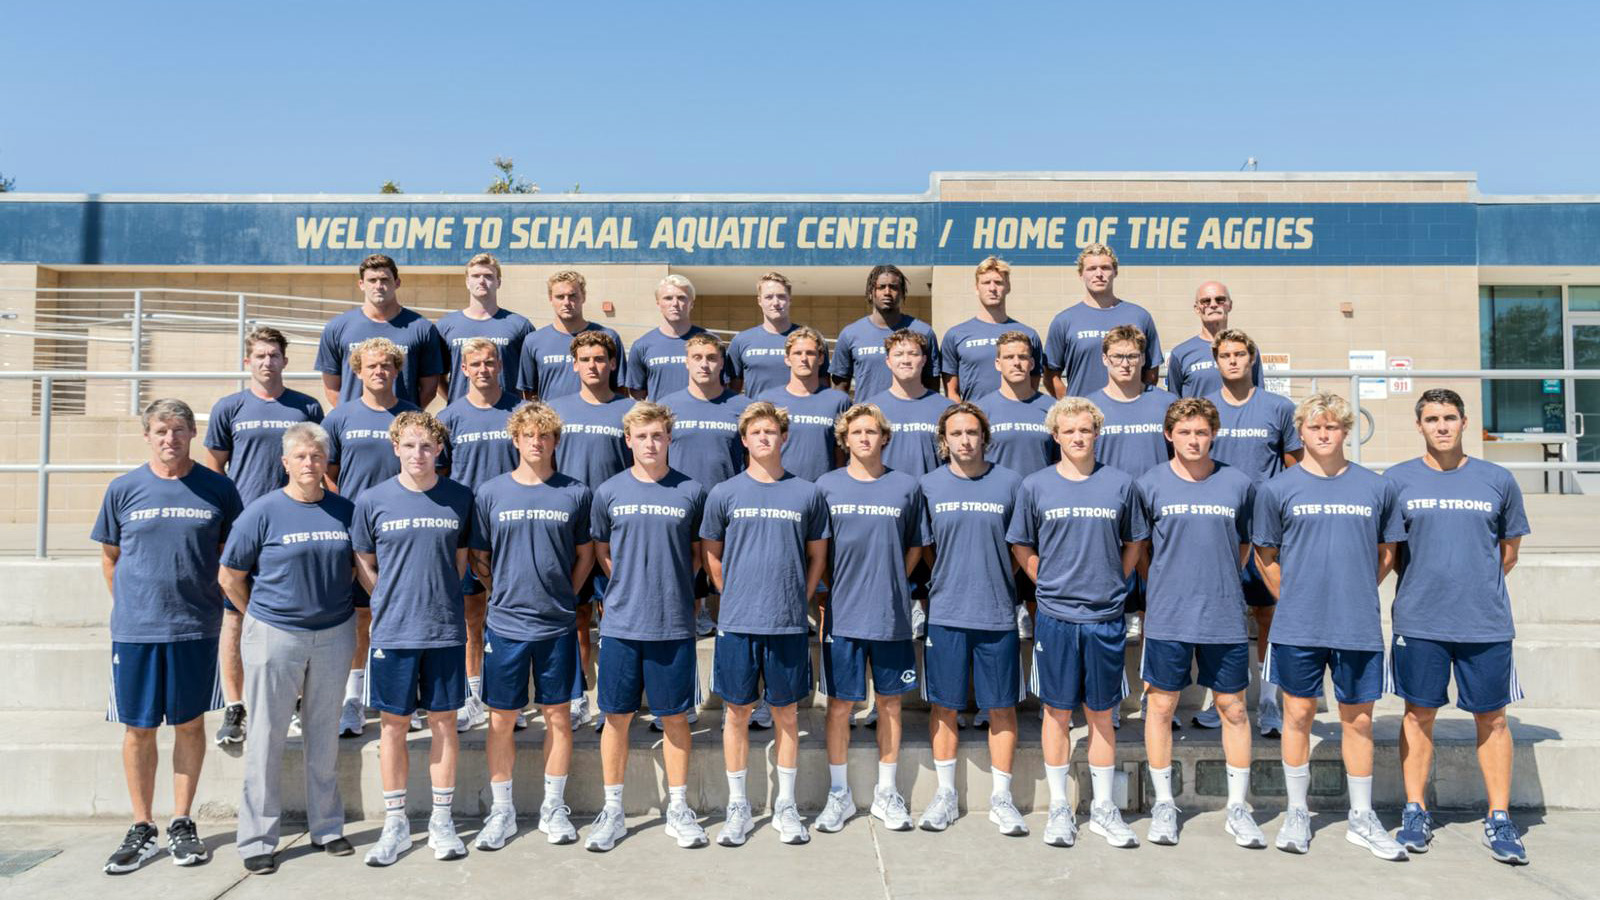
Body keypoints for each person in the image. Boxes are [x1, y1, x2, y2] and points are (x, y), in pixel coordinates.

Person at [1251, 392, 1407, 860]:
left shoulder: (1375, 487)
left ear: (1346, 431)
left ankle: (1361, 816)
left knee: (1358, 719)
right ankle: (1298, 811)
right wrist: (1295, 597)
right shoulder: (1277, 489)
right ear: (1301, 433)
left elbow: (1387, 553)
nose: (1324, 434)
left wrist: (1356, 587)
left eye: (1333, 427)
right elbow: (1265, 556)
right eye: (1315, 427)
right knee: (1297, 715)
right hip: (1299, 625)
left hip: (1356, 622)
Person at [95, 399, 244, 874]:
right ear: (147, 435)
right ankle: (142, 826)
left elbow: (229, 556)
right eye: (161, 430)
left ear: (192, 433)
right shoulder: (124, 489)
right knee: (138, 728)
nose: (170, 439)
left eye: (179, 430)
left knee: (189, 724)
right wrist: (133, 607)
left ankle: (182, 821)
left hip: (195, 628)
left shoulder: (218, 489)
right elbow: (111, 558)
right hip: (136, 631)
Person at [1386, 388, 1531, 865]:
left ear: (1465, 422)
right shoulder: (1397, 481)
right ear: (1419, 425)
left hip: (1484, 623)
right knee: (1417, 714)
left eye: (1450, 417)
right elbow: (1389, 553)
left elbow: (1507, 552)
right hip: (1420, 621)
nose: (1442, 426)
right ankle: (1415, 811)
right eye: (1432, 418)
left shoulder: (1497, 479)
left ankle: (1499, 817)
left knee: (1491, 718)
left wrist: (1471, 586)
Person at [1126, 398, 1266, 849]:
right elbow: (1141, 549)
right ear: (1169, 434)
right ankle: (1165, 804)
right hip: (1168, 616)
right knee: (1161, 708)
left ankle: (1238, 808)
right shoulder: (1149, 484)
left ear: (1213, 435)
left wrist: (1218, 579)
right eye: (1184, 432)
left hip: (1223, 614)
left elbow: (1244, 547)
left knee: (1234, 709)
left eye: (1201, 432)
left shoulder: (1238, 484)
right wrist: (1165, 584)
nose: (1193, 440)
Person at [219, 423, 357, 873]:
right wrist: (260, 616)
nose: (309, 464)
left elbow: (357, 569)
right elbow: (230, 576)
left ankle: (327, 826)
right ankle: (258, 837)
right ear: (285, 463)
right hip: (276, 635)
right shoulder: (262, 512)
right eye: (301, 456)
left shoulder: (344, 511)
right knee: (266, 736)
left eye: (317, 457)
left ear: (325, 462)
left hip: (334, 634)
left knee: (323, 733)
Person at [1007, 397, 1140, 849]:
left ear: (1096, 433)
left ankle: (1103, 807)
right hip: (1057, 617)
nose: (1078, 437)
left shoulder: (1120, 484)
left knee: (1102, 713)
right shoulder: (1036, 486)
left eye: (1086, 430)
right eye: (1069, 431)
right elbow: (1022, 544)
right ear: (1056, 436)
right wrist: (1044, 580)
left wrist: (1112, 581)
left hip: (1104, 615)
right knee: (1057, 711)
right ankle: (1061, 807)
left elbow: (1133, 543)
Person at [700, 402, 829, 846]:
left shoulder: (806, 493)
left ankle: (786, 806)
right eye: (755, 432)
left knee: (787, 713)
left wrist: (801, 597)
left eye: (771, 431)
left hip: (787, 622)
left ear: (784, 438)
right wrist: (729, 592)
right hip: (738, 621)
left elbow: (817, 556)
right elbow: (712, 553)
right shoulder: (724, 493)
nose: (764, 438)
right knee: (736, 712)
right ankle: (739, 805)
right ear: (744, 439)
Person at [350, 411, 475, 866]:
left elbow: (460, 560)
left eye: (426, 446)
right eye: (409, 446)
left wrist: (437, 595)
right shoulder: (372, 500)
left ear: (439, 450)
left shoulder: (459, 498)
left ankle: (441, 821)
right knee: (393, 726)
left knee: (443, 722)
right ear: (395, 448)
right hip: (394, 631)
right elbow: (363, 558)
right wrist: (385, 596)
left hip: (442, 629)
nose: (418, 454)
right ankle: (396, 823)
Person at [467, 402, 594, 850]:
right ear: (515, 440)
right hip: (505, 625)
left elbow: (585, 555)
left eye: (544, 436)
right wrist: (497, 590)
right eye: (528, 435)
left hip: (556, 624)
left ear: (555, 441)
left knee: (559, 716)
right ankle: (502, 811)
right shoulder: (491, 493)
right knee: (501, 719)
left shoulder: (575, 493)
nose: (536, 443)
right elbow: (480, 556)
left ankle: (552, 807)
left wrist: (566, 594)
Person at [584, 402, 710, 852]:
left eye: (657, 436)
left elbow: (697, 553)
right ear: (628, 440)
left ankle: (678, 807)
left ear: (669, 439)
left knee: (674, 717)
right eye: (642, 437)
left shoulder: (691, 490)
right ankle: (613, 810)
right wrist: (626, 586)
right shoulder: (609, 491)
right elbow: (602, 549)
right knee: (615, 717)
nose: (650, 444)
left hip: (673, 622)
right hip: (622, 621)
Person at [204, 326, 325, 748]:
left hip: (293, 527)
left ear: (285, 361)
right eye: (259, 355)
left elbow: (318, 463)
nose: (267, 362)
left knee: (296, 614)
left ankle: (293, 700)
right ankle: (235, 706)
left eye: (274, 355)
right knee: (235, 617)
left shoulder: (305, 406)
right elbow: (213, 470)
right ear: (247, 361)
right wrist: (221, 524)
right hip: (244, 527)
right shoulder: (229, 407)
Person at [813, 404, 928, 834]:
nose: (864, 438)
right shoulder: (825, 486)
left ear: (885, 438)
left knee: (890, 703)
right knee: (841, 704)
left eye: (872, 431)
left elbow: (916, 544)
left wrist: (894, 574)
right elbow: (818, 551)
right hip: (842, 614)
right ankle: (839, 795)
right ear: (845, 439)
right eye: (857, 432)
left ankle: (886, 793)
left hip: (890, 613)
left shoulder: (905, 486)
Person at [915, 403, 1027, 835]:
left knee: (1001, 705)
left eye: (973, 433)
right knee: (945, 703)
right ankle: (945, 795)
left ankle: (1001, 798)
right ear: (945, 440)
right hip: (945, 610)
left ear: (985, 437)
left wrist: (994, 576)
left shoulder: (1010, 483)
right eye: (957, 433)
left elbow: (1018, 548)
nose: (965, 440)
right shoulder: (927, 486)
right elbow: (926, 548)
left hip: (996, 610)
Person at [1197, 328, 1301, 734]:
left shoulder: (1277, 407)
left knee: (1267, 613)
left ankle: (1270, 701)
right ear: (1217, 361)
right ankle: (1219, 698)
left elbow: (1296, 466)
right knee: (1221, 615)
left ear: (1252, 359)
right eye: (1226, 355)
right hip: (1218, 529)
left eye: (1240, 354)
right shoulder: (1204, 411)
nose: (1234, 361)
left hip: (1266, 532)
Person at [321, 337, 421, 737]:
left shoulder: (413, 416)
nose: (379, 372)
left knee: (405, 616)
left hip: (408, 532)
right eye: (371, 366)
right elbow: (328, 472)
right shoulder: (340, 418)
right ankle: (353, 702)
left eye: (387, 366)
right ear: (358, 371)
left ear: (397, 371)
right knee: (362, 617)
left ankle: (404, 699)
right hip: (359, 534)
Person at [548, 330, 633, 729]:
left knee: (616, 613)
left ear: (613, 363)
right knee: (578, 616)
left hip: (619, 529)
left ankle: (621, 698)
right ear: (574, 364)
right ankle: (579, 695)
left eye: (600, 359)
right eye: (585, 359)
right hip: (570, 528)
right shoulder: (557, 410)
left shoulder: (630, 410)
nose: (593, 366)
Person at [437, 339, 522, 732]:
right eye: (475, 363)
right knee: (473, 618)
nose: (484, 369)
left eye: (490, 362)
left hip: (513, 528)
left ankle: (508, 698)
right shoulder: (451, 416)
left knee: (509, 616)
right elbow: (439, 476)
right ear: (464, 370)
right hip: (467, 529)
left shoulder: (519, 412)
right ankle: (472, 697)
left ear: (500, 365)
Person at [659, 333, 753, 640]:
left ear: (722, 362)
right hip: (680, 497)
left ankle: (734, 612)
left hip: (729, 498)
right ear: (686, 362)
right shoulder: (667, 407)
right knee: (686, 559)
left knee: (732, 560)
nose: (704, 364)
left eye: (712, 358)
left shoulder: (742, 406)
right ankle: (695, 612)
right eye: (697, 358)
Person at [315, 254, 445, 408]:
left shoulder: (422, 328)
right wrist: (350, 417)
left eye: (384, 280)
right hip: (356, 426)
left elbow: (429, 388)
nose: (378, 286)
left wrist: (406, 417)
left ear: (397, 283)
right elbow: (331, 388)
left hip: (401, 427)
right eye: (372, 280)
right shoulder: (337, 327)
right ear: (361, 284)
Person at [1043, 244, 1161, 398]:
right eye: (1091, 269)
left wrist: (1137, 403)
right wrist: (1072, 406)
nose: (1099, 274)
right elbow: (1050, 376)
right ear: (1081, 274)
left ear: (1115, 272)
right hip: (1084, 417)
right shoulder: (1065, 321)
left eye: (1105, 268)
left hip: (1126, 413)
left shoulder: (1139, 316)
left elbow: (1151, 373)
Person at [939, 257, 1042, 401]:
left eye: (998, 282)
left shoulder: (1028, 335)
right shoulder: (955, 335)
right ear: (976, 288)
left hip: (1013, 419)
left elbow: (1033, 386)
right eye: (986, 282)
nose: (992, 288)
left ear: (1008, 287)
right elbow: (951, 393)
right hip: (974, 419)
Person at [830, 264, 939, 399]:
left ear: (902, 292)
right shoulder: (850, 334)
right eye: (881, 287)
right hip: (868, 417)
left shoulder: (923, 332)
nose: (887, 292)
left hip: (909, 416)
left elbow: (932, 385)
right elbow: (839, 388)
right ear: (871, 292)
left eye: (893, 287)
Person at [436, 253, 533, 404]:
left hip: (509, 415)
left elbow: (531, 379)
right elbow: (436, 377)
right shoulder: (445, 326)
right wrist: (456, 400)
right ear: (467, 282)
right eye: (475, 276)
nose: (481, 281)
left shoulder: (519, 325)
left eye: (488, 276)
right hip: (463, 417)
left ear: (498, 282)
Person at [757, 326, 850, 482]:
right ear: (787, 359)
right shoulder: (767, 400)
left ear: (821, 359)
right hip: (779, 487)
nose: (804, 358)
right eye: (797, 353)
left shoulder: (838, 401)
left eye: (810, 353)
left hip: (822, 491)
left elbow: (842, 453)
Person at [518, 270, 627, 401]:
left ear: (584, 297)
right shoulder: (533, 341)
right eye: (560, 297)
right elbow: (529, 393)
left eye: (572, 296)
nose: (566, 302)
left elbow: (621, 389)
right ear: (550, 299)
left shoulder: (607, 337)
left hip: (595, 419)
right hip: (552, 419)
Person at [866, 330, 954, 480]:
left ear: (924, 360)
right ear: (888, 361)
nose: (906, 360)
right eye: (898, 354)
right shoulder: (870, 410)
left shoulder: (947, 409)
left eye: (913, 354)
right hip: (885, 497)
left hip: (930, 497)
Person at [1093, 325, 1178, 479]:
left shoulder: (1167, 403)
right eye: (1117, 356)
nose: (1125, 364)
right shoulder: (1089, 406)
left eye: (1132, 356)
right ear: (1105, 359)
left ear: (1143, 358)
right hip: (1108, 498)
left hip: (1156, 495)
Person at [728, 271, 827, 398]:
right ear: (759, 301)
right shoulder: (741, 340)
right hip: (758, 416)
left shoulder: (810, 340)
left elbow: (824, 385)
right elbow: (731, 391)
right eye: (768, 297)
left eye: (781, 296)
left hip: (798, 415)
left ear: (790, 300)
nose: (775, 302)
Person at [977, 330, 1057, 478]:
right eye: (1008, 357)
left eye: (1022, 357)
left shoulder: (1053, 408)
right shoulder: (981, 410)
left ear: (1032, 363)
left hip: (1040, 496)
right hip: (998, 496)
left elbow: (1061, 461)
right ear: (998, 364)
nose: (1016, 363)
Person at [1165, 282, 1262, 398]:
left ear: (1230, 305)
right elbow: (1174, 402)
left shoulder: (1247, 348)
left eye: (1220, 300)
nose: (1213, 305)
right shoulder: (1180, 353)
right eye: (1206, 301)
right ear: (1197, 309)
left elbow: (1259, 395)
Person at [626, 274, 711, 400]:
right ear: (658, 304)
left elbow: (723, 386)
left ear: (691, 303)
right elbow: (637, 394)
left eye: (682, 298)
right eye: (668, 298)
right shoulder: (642, 345)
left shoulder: (710, 342)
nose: (675, 303)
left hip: (699, 418)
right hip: (661, 418)